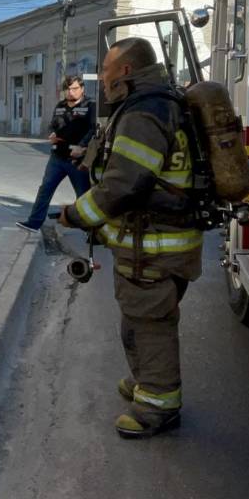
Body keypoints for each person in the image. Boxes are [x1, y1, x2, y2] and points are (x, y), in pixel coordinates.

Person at [58, 38, 201, 439]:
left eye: (106, 69)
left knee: (150, 323)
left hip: (154, 245)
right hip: (154, 242)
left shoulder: (145, 112)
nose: (100, 78)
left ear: (124, 71)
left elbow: (124, 184)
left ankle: (158, 406)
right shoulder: (159, 103)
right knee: (138, 319)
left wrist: (77, 214)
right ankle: (146, 381)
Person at [17, 75, 95, 232]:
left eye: (74, 89)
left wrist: (82, 146)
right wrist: (52, 133)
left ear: (82, 89)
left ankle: (92, 232)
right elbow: (53, 125)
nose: (71, 92)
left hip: (77, 160)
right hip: (57, 158)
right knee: (45, 189)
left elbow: (93, 129)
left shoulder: (90, 105)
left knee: (84, 196)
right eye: (68, 89)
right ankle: (34, 222)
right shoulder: (60, 106)